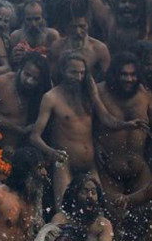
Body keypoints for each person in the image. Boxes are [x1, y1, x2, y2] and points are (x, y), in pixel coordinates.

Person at [30, 52, 146, 210]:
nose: (78, 77)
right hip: (64, 163)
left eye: (82, 73)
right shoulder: (51, 97)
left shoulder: (89, 93)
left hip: (90, 164)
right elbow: (35, 136)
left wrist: (127, 124)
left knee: (99, 212)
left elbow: (106, 119)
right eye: (73, 72)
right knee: (64, 212)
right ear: (63, 71)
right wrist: (51, 152)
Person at [95, 52, 152, 241]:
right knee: (115, 225)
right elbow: (87, 124)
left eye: (133, 74)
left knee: (144, 224)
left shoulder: (145, 95)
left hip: (139, 169)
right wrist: (95, 145)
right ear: (115, 74)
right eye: (124, 74)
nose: (129, 79)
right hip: (110, 171)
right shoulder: (100, 92)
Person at [41, 174, 113, 241]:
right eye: (85, 192)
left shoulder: (103, 225)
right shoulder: (61, 219)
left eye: (93, 192)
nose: (90, 196)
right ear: (74, 196)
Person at [0, 53, 51, 151]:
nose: (29, 81)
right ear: (20, 68)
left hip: (26, 149)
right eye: (27, 74)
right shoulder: (0, 83)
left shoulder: (43, 91)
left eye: (35, 79)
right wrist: (19, 129)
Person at [49, 0, 110, 80]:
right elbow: (52, 78)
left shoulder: (99, 49)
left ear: (88, 24)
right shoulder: (57, 47)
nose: (78, 32)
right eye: (73, 27)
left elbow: (108, 80)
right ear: (66, 26)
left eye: (82, 26)